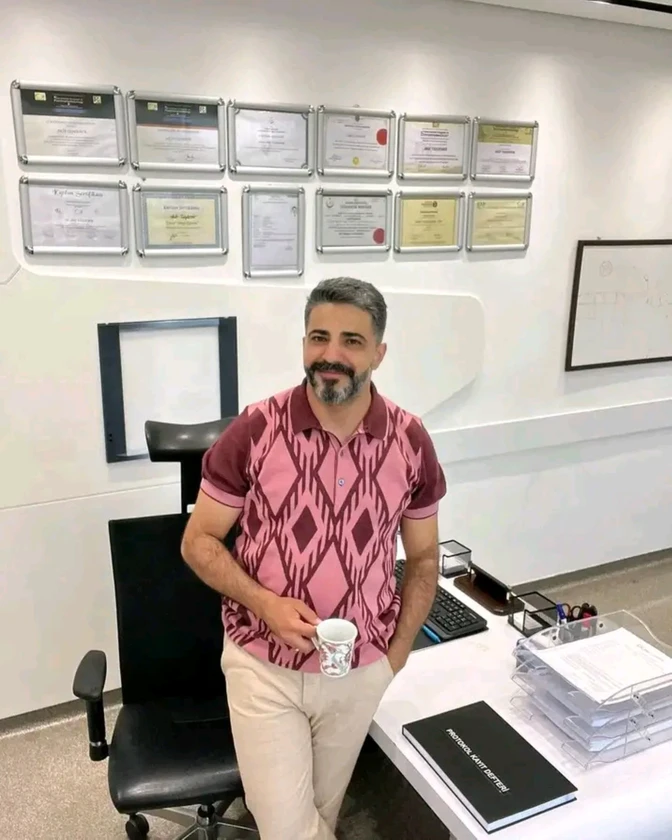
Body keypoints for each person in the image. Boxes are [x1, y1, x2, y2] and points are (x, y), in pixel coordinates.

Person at [181, 277, 447, 840]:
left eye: (352, 341)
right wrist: (265, 604)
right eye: (319, 337)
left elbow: (424, 559)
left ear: (379, 353)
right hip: (262, 664)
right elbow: (198, 541)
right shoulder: (257, 429)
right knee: (287, 828)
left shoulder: (410, 441)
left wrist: (395, 655)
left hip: (358, 669)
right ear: (304, 343)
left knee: (321, 814)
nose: (331, 355)